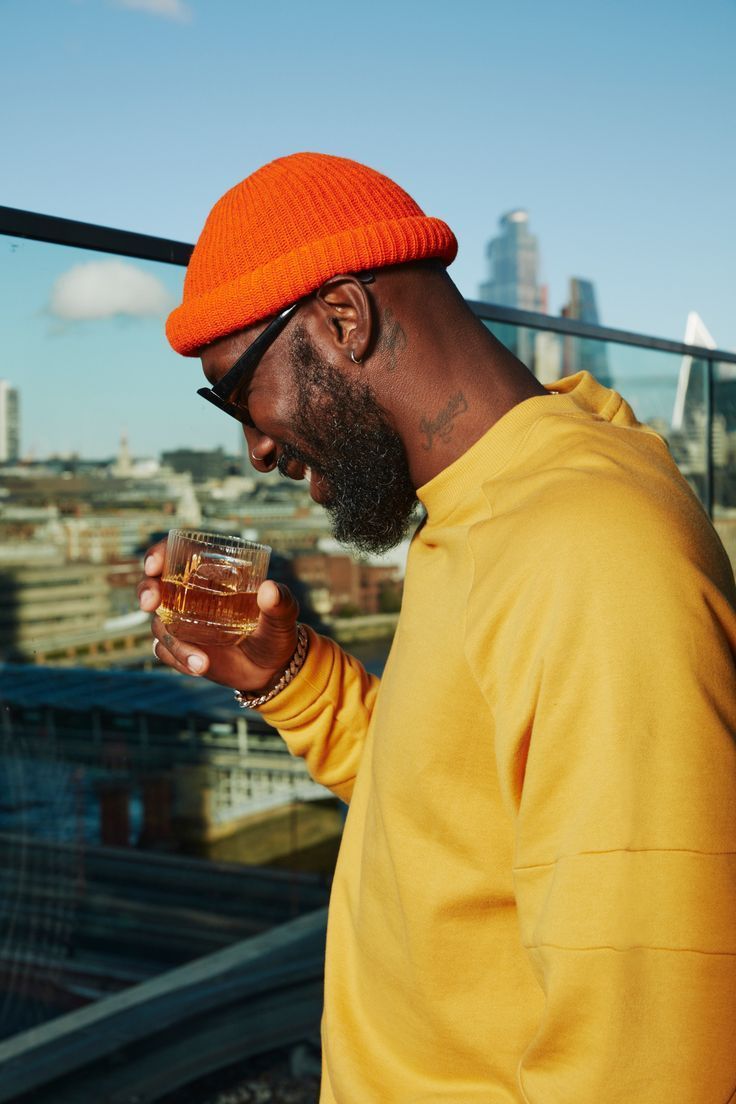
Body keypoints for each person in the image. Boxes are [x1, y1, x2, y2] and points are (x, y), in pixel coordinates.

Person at [138, 153, 736, 1103]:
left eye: (238, 388)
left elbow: (648, 1053)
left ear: (344, 317)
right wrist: (288, 673)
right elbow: (452, 811)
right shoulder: (485, 512)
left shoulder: (589, 552)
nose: (253, 447)